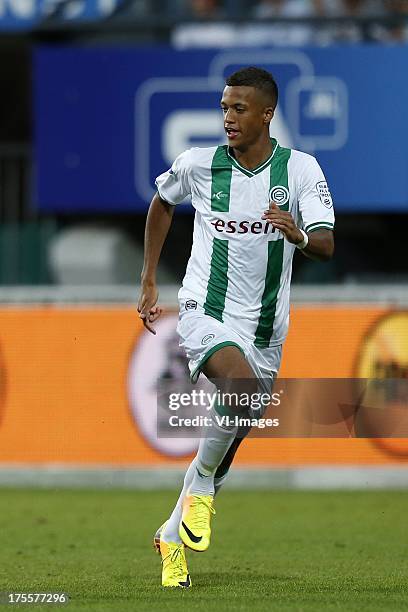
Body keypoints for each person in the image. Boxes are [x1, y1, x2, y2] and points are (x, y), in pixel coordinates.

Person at [137, 66, 335, 588]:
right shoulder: (198, 165)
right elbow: (162, 202)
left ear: (267, 113)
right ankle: (199, 493)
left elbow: (326, 244)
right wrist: (148, 279)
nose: (228, 117)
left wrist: (294, 232)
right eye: (224, 107)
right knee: (239, 390)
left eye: (239, 108)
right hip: (207, 307)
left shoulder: (299, 170)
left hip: (267, 328)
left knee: (232, 434)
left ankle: (171, 535)